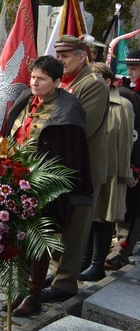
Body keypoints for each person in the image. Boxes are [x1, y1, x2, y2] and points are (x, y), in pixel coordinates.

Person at [4, 55, 92, 317]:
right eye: (32, 77)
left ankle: (34, 296)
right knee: (18, 240)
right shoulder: (26, 100)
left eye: (41, 78)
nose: (34, 82)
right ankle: (19, 289)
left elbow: (72, 157)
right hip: (14, 182)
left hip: (45, 189)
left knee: (38, 241)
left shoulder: (68, 110)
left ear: (56, 81)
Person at [42, 35, 109, 303]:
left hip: (83, 168)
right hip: (61, 166)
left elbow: (82, 129)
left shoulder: (92, 85)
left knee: (76, 227)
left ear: (82, 57)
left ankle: (67, 283)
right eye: (58, 55)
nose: (60, 60)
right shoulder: (65, 83)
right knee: (60, 223)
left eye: (66, 56)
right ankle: (59, 272)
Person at [79, 62, 134, 281]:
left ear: (108, 81)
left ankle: (97, 263)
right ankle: (85, 260)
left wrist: (124, 174)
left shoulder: (122, 105)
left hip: (111, 170)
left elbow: (125, 143)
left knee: (103, 216)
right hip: (91, 167)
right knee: (89, 216)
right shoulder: (88, 100)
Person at [107, 49, 140, 270]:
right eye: (129, 66)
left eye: (135, 67)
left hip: (137, 153)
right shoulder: (126, 88)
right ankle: (119, 245)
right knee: (126, 202)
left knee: (134, 206)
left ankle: (124, 249)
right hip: (128, 150)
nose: (130, 70)